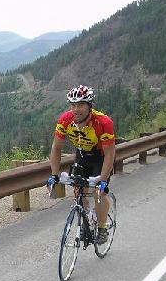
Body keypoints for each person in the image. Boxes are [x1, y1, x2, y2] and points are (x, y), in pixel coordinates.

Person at [47, 85, 116, 244]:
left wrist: (103, 180)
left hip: (101, 157)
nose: (76, 109)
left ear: (89, 105)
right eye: (73, 105)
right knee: (78, 191)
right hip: (82, 155)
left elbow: (110, 153)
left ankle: (102, 227)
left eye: (80, 105)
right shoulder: (65, 120)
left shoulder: (103, 122)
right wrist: (54, 175)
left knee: (99, 192)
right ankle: (85, 221)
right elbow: (56, 149)